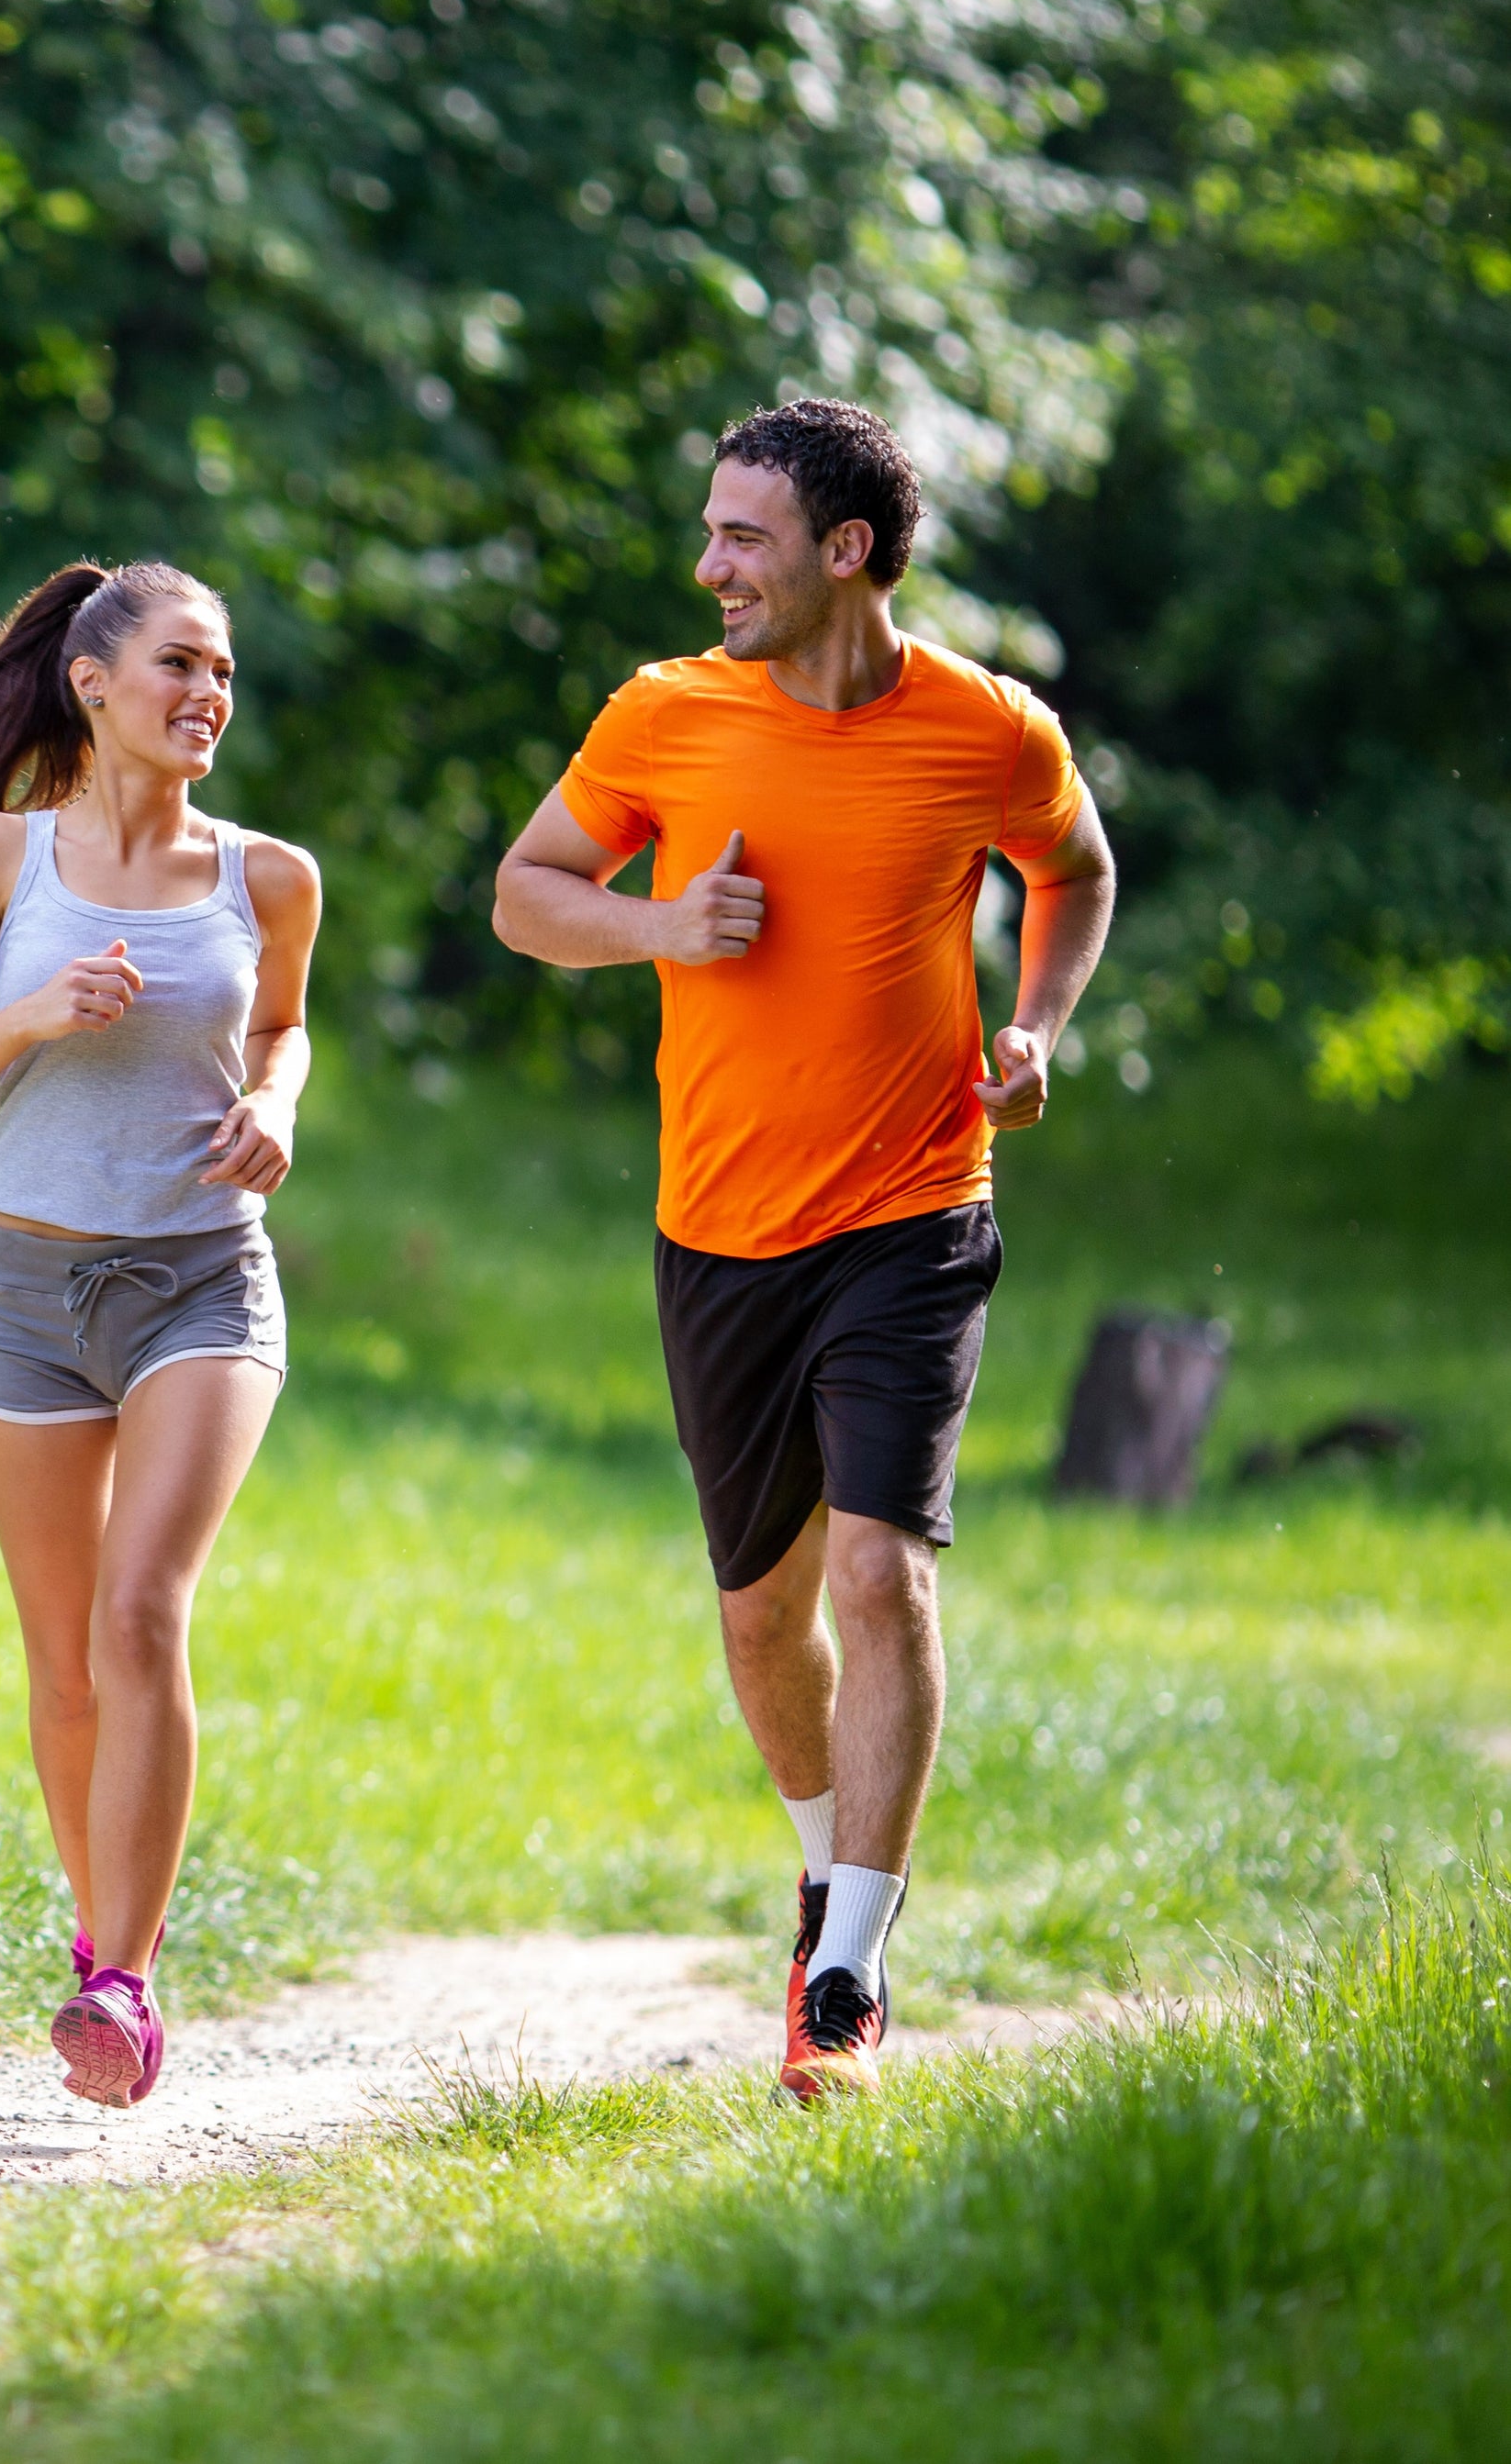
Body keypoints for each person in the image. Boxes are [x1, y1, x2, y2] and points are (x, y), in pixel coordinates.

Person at [491, 399, 1117, 2099]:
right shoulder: (666, 715)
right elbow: (526, 891)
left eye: (743, 536)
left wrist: (1041, 1024)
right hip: (719, 1231)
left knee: (877, 1566)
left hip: (917, 1209)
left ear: (846, 551)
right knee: (766, 1616)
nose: (710, 566)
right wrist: (656, 925)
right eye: (711, 531)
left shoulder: (986, 730)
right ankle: (820, 1867)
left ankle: (849, 1954)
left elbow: (1076, 868)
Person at [0, 559, 322, 2108]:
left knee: (144, 1611)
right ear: (92, 679)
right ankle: (97, 1944)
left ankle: (129, 1986)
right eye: (182, 666)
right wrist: (29, 1019)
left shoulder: (268, 876)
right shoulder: (1, 863)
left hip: (202, 1279)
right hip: (24, 1289)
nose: (210, 696)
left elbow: (280, 1021)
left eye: (225, 675)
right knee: (63, 1665)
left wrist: (271, 1103)